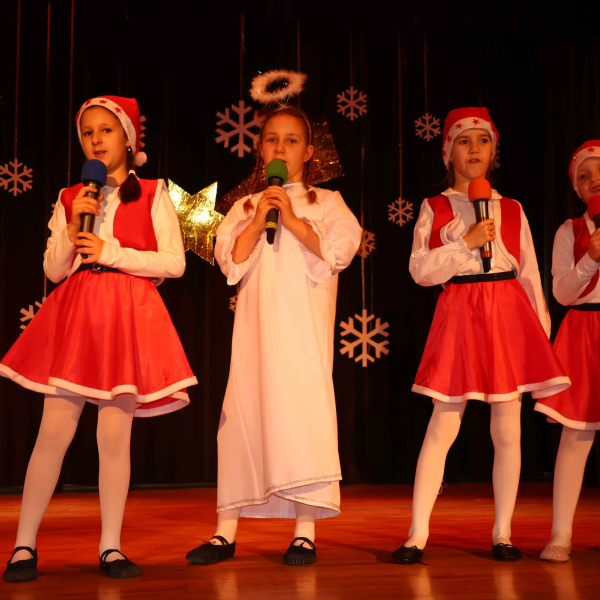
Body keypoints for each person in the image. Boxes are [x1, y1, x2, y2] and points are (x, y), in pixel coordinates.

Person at [1, 95, 197, 582]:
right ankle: (23, 545)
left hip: (126, 315)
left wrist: (111, 252)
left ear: (128, 139)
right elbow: (53, 269)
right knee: (53, 432)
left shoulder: (153, 192)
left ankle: (110, 546)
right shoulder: (71, 196)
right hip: (79, 316)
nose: (95, 139)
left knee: (113, 436)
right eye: (87, 132)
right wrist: (72, 231)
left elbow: (174, 263)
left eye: (105, 130)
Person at [186, 106, 361, 566]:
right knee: (244, 417)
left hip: (303, 338)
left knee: (302, 420)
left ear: (309, 151)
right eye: (271, 139)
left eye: (292, 140)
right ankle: (225, 532)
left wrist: (293, 218)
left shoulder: (329, 202)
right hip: (255, 338)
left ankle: (304, 532)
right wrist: (259, 213)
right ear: (260, 149)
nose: (280, 147)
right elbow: (230, 261)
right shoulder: (246, 206)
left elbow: (339, 251)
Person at [395, 107, 570, 565]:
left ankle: (502, 533)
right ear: (447, 152)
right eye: (464, 141)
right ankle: (417, 534)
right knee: (443, 423)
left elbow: (529, 274)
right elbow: (421, 271)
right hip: (461, 311)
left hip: (508, 314)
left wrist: (540, 337)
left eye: (483, 140)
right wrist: (465, 243)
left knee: (507, 428)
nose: (474, 149)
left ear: (494, 151)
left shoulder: (512, 208)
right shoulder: (434, 207)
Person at [535, 140, 600, 562]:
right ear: (577, 188)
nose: (595, 181)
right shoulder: (568, 231)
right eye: (584, 176)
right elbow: (561, 293)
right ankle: (561, 534)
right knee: (576, 435)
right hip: (584, 331)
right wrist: (590, 258)